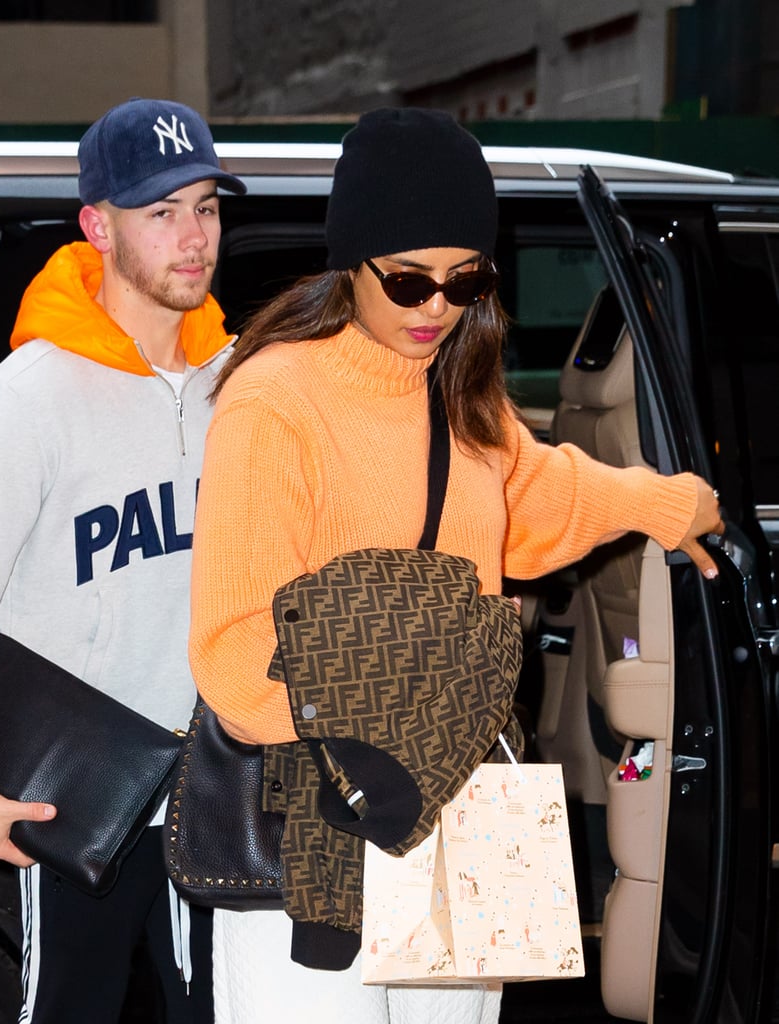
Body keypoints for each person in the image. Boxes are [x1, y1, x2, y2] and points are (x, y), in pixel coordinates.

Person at [187, 107, 724, 1023]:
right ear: (349, 265)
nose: (436, 306)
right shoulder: (273, 401)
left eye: (464, 278)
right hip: (328, 806)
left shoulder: (461, 393)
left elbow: (534, 501)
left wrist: (661, 502)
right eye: (406, 281)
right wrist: (375, 750)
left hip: (461, 796)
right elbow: (233, 655)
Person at [0, 96, 245, 1024]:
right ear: (98, 225)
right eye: (161, 212)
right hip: (86, 787)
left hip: (224, 774)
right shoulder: (29, 399)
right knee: (72, 1010)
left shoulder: (245, 382)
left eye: (206, 207)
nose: (192, 237)